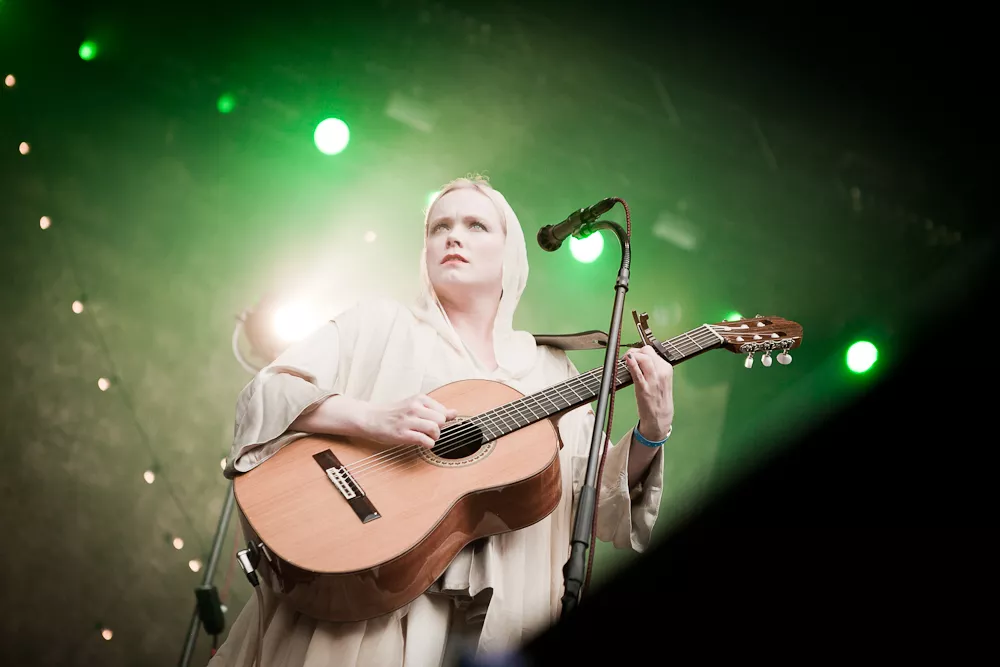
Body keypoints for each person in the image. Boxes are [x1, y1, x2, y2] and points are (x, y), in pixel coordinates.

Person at [210, 176, 674, 667]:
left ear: (511, 255)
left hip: (495, 624)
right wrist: (372, 418)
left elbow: (593, 499)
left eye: (476, 225)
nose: (453, 236)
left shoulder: (551, 371)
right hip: (361, 605)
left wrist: (652, 431)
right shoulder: (379, 324)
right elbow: (267, 395)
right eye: (439, 227)